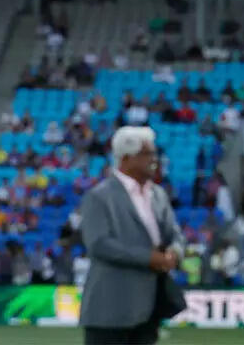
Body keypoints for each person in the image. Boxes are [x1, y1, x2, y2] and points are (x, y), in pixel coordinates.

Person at [77, 126, 185, 344]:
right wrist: (149, 258)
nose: (154, 159)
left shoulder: (158, 194)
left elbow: (174, 234)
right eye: (147, 154)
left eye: (154, 153)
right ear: (126, 158)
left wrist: (174, 252)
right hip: (109, 307)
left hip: (148, 308)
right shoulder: (100, 196)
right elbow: (99, 244)